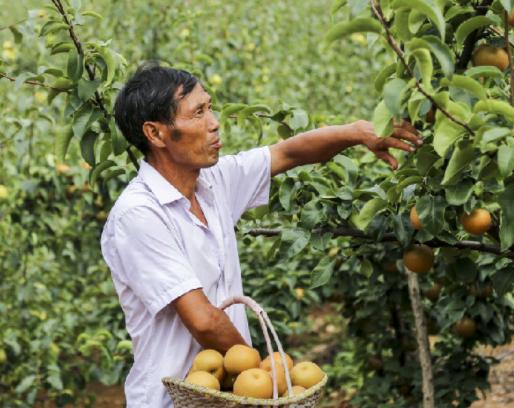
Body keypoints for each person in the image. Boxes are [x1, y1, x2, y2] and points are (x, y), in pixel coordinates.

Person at [100, 62, 422, 407]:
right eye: (198, 113)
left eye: (209, 107)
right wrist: (268, 379)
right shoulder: (139, 214)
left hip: (229, 394)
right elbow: (204, 320)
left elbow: (288, 152)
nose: (214, 122)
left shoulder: (213, 182)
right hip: (172, 400)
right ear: (156, 133)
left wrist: (358, 132)